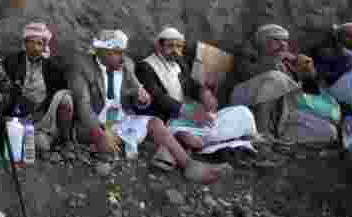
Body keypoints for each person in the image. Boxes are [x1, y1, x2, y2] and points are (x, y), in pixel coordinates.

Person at [69, 29, 232, 184]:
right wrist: (99, 134)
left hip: (121, 118)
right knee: (108, 138)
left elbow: (137, 93)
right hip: (97, 123)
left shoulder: (128, 64)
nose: (121, 57)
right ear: (101, 52)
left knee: (155, 123)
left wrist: (142, 99)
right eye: (115, 52)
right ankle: (107, 149)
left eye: (179, 46)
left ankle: (189, 165)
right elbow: (83, 104)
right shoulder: (83, 67)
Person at [135, 27, 256, 166]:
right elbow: (158, 98)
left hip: (190, 115)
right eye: (170, 46)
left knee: (242, 112)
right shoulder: (145, 67)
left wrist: (203, 93)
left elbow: (191, 84)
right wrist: (191, 112)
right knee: (193, 136)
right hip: (170, 120)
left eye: (178, 46)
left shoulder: (178, 61)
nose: (175, 50)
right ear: (158, 46)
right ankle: (213, 141)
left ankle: (212, 140)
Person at [229, 24, 325, 143]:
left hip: (281, 114)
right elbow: (246, 73)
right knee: (276, 78)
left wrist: (308, 74)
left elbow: (311, 94)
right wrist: (275, 59)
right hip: (245, 103)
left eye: (285, 41)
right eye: (276, 40)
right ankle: (261, 135)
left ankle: (277, 140)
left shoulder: (286, 64)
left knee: (328, 131)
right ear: (262, 42)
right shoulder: (247, 54)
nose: (283, 44)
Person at [0, 22, 74, 155]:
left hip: (43, 115)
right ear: (25, 43)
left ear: (44, 46)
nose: (35, 47)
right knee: (40, 144)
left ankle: (65, 141)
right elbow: (5, 89)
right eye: (31, 43)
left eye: (39, 44)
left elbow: (58, 90)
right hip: (18, 116)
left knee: (65, 98)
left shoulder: (52, 66)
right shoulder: (12, 61)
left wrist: (38, 113)